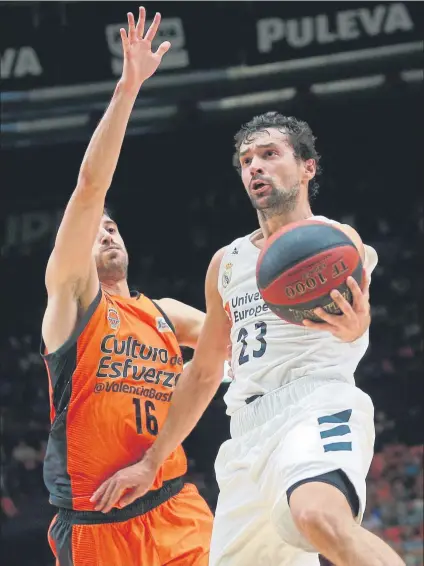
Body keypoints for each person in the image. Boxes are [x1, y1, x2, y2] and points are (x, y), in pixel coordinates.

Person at [92, 112, 406, 566]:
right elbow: (203, 371)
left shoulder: (332, 240)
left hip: (315, 402)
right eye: (246, 160)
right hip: (245, 434)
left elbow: (358, 321)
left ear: (307, 167)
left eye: (269, 154)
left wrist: (358, 326)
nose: (254, 167)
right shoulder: (227, 262)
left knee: (319, 516)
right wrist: (152, 461)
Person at [41, 8, 213, 566]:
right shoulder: (72, 301)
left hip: (177, 510)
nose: (106, 228)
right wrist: (128, 88)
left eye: (113, 225)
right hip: (98, 530)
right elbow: (91, 189)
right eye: (96, 228)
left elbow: (240, 334)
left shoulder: (165, 314)